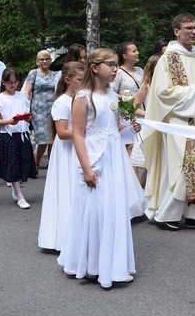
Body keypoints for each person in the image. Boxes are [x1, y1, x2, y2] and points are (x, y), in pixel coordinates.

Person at [57, 48, 146, 288]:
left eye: (116, 64)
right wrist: (86, 167)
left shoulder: (112, 96)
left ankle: (113, 263)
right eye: (110, 64)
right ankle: (90, 263)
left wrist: (129, 128)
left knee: (113, 209)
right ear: (95, 68)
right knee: (95, 209)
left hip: (114, 156)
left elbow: (113, 128)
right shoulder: (83, 97)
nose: (115, 69)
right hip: (94, 156)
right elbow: (77, 133)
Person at [142, 13, 195, 231]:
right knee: (181, 166)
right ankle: (168, 214)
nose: (193, 32)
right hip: (178, 121)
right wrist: (194, 89)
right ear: (177, 31)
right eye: (188, 28)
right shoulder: (167, 59)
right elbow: (161, 92)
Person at [38, 61, 85, 251]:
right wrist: (84, 131)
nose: (84, 83)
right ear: (68, 80)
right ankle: (63, 236)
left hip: (79, 146)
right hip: (67, 151)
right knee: (68, 189)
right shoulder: (61, 102)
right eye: (80, 80)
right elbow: (62, 132)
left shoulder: (81, 99)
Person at [0, 68, 36, 209]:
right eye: (9, 82)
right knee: (13, 164)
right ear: (4, 83)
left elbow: (27, 116)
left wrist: (28, 118)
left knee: (23, 162)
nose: (12, 85)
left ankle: (16, 188)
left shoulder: (22, 96)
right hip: (9, 135)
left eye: (15, 82)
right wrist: (8, 122)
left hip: (22, 133)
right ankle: (20, 195)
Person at [24, 49, 60, 174]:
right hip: (38, 110)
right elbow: (27, 92)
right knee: (43, 138)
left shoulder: (55, 74)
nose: (44, 61)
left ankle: (52, 163)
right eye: (41, 59)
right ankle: (36, 161)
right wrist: (25, 108)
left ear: (50, 61)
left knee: (53, 137)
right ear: (37, 62)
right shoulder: (33, 73)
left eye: (47, 59)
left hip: (53, 109)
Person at [130, 55, 160, 186]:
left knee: (159, 163)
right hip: (150, 126)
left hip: (163, 126)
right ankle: (139, 190)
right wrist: (149, 114)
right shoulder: (147, 86)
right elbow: (134, 107)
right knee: (149, 164)